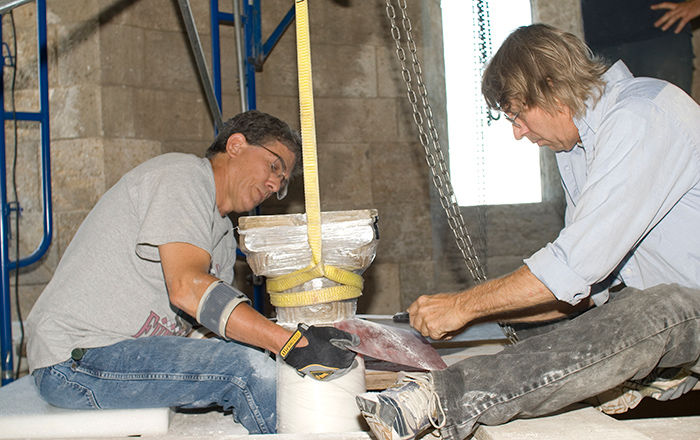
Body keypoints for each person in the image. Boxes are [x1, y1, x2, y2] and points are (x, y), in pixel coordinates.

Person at [356, 24, 700, 440]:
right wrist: (476, 315)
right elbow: (583, 290)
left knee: (656, 308)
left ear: (552, 87)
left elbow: (572, 268)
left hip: (686, 307)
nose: (518, 131)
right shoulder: (577, 146)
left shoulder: (643, 115)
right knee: (524, 321)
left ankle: (441, 400)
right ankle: (649, 371)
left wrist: (464, 306)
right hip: (674, 305)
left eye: (517, 114)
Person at [26, 110, 357, 434]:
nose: (274, 184)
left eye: (282, 183)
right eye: (274, 166)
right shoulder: (181, 176)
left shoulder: (224, 238)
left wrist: (272, 337)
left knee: (251, 359)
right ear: (236, 145)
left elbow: (205, 326)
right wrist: (289, 342)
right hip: (75, 358)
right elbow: (188, 288)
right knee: (243, 370)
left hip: (119, 356)